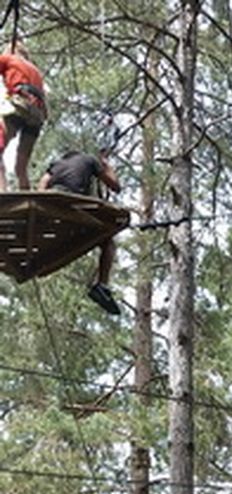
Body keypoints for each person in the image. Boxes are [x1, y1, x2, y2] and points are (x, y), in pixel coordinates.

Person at [39, 149, 122, 314]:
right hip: (72, 206)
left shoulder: (56, 164)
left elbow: (42, 186)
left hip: (51, 206)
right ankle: (102, 285)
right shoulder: (90, 159)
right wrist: (106, 165)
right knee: (108, 242)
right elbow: (115, 186)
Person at [0, 44, 47, 192]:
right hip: (37, 115)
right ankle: (26, 196)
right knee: (21, 167)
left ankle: (2, 192)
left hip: (20, 107)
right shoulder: (36, 71)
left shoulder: (9, 59)